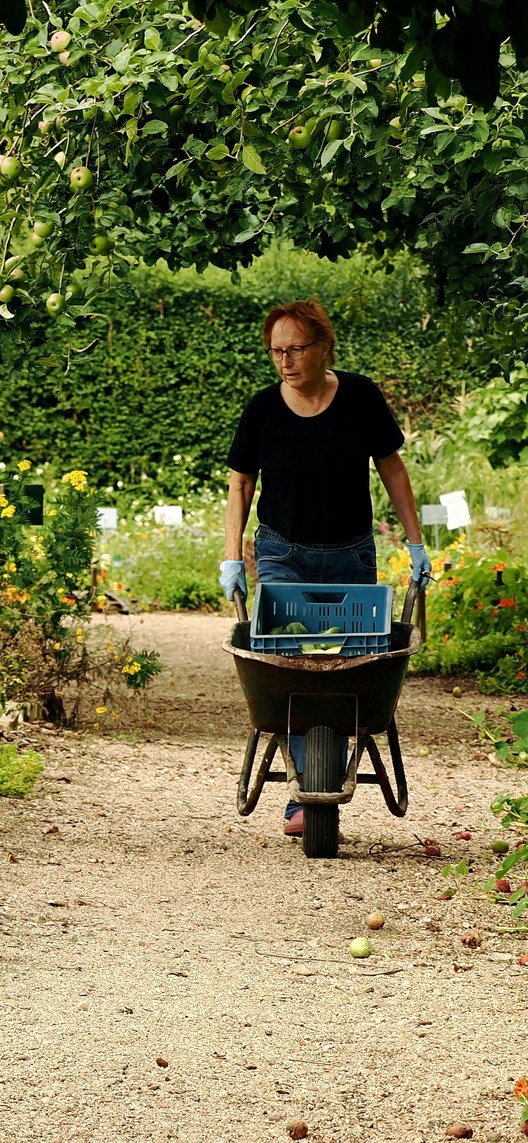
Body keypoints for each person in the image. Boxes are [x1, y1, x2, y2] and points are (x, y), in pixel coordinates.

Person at [220, 298, 430, 839]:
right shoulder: (262, 410)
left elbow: (392, 468)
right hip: (282, 552)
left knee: (347, 666)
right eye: (276, 351)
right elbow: (241, 483)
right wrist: (230, 554)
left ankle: (323, 772)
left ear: (322, 347)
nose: (285, 360)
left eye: (295, 348)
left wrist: (416, 542)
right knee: (288, 659)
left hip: (350, 554)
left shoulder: (359, 397)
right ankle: (303, 787)